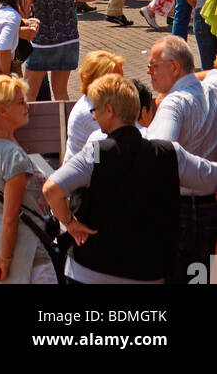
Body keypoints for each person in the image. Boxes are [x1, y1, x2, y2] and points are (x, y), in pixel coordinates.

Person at [45, 73, 217, 285]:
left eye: (95, 110)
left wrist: (70, 223)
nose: (93, 117)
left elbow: (52, 189)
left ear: (109, 111)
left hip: (91, 269)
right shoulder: (167, 152)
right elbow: (210, 177)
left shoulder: (95, 152)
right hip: (148, 271)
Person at [0, 75, 57, 285]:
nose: (27, 106)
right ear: (2, 110)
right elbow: (11, 217)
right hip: (27, 257)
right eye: (20, 102)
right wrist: (6, 261)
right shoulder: (14, 157)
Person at [145, 34, 217, 279]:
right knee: (207, 275)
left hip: (178, 212)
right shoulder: (212, 89)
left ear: (174, 67)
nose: (148, 72)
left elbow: (160, 151)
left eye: (153, 66)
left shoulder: (174, 104)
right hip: (211, 207)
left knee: (175, 275)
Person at [23, 0, 99, 101]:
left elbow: (24, 8)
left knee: (29, 93)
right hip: (69, 41)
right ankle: (64, 125)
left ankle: (30, 126)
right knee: (61, 92)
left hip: (41, 43)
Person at [63, 49, 126, 163]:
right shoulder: (89, 112)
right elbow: (122, 143)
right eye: (116, 80)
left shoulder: (103, 104)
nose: (122, 84)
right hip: (83, 176)